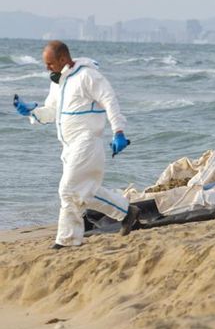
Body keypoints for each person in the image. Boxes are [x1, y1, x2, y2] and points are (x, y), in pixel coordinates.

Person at [12, 41, 138, 248]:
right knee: (84, 191)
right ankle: (126, 212)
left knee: (68, 189)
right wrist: (32, 112)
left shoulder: (88, 76)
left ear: (63, 59)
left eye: (50, 63)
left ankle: (67, 240)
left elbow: (110, 101)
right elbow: (52, 112)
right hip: (68, 146)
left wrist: (119, 131)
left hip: (87, 141)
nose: (47, 68)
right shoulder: (58, 83)